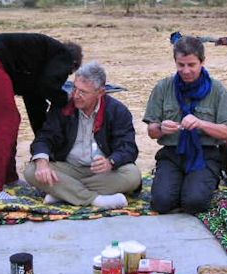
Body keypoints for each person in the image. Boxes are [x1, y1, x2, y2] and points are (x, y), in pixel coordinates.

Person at [0, 33, 83, 202]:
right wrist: (65, 100)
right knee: (7, 120)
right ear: (73, 64)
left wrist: (44, 139)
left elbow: (36, 107)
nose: (64, 76)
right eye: (68, 72)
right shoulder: (63, 55)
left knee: (9, 119)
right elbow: (49, 86)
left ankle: (8, 178)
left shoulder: (35, 65)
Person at [24, 61, 141, 210]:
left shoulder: (118, 111)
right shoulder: (62, 105)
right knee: (31, 171)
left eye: (83, 92)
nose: (76, 96)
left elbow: (128, 148)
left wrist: (110, 162)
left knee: (132, 175)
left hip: (102, 172)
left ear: (100, 92)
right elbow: (44, 137)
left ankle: (63, 193)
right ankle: (96, 200)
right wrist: (42, 163)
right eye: (75, 88)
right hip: (69, 167)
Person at [143, 35, 227, 214]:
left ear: (202, 62)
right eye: (181, 65)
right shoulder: (163, 87)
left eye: (191, 65)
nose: (185, 70)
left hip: (205, 154)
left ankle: (206, 180)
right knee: (161, 203)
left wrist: (200, 123)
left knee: (194, 203)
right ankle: (177, 183)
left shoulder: (218, 90)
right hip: (172, 153)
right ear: (175, 62)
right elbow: (151, 132)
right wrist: (161, 128)